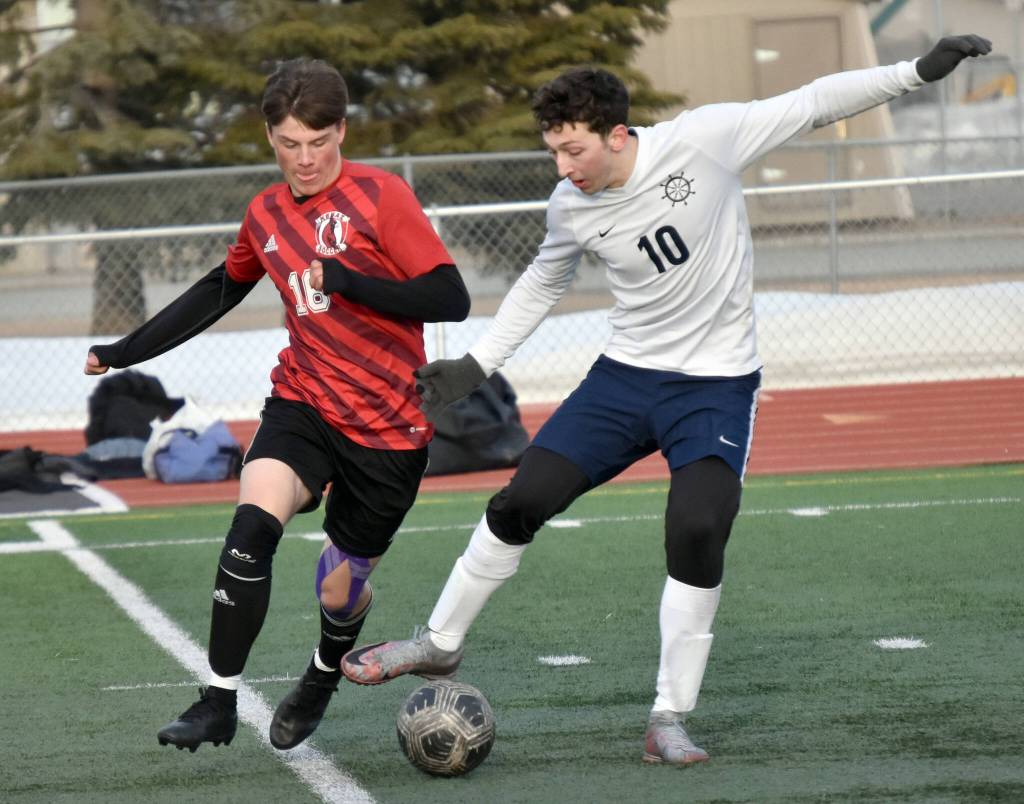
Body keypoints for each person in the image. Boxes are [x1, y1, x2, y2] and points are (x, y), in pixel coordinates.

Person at [340, 36, 992, 764]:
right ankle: (440, 642)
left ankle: (668, 716)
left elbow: (811, 102)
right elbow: (543, 283)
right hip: (625, 380)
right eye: (553, 151)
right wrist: (478, 365)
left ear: (618, 135)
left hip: (715, 388)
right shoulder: (570, 204)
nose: (563, 168)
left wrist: (915, 73)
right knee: (520, 501)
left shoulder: (706, 140)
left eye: (574, 151)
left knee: (698, 526)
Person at [84, 57, 470, 752]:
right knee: (250, 529)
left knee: (337, 589)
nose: (305, 159)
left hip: (388, 427)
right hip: (303, 402)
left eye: (318, 143)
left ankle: (322, 675)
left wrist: (352, 281)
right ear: (271, 138)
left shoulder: (382, 198)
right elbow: (219, 289)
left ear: (342, 131)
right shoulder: (264, 213)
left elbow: (451, 296)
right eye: (290, 144)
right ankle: (217, 702)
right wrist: (124, 352)